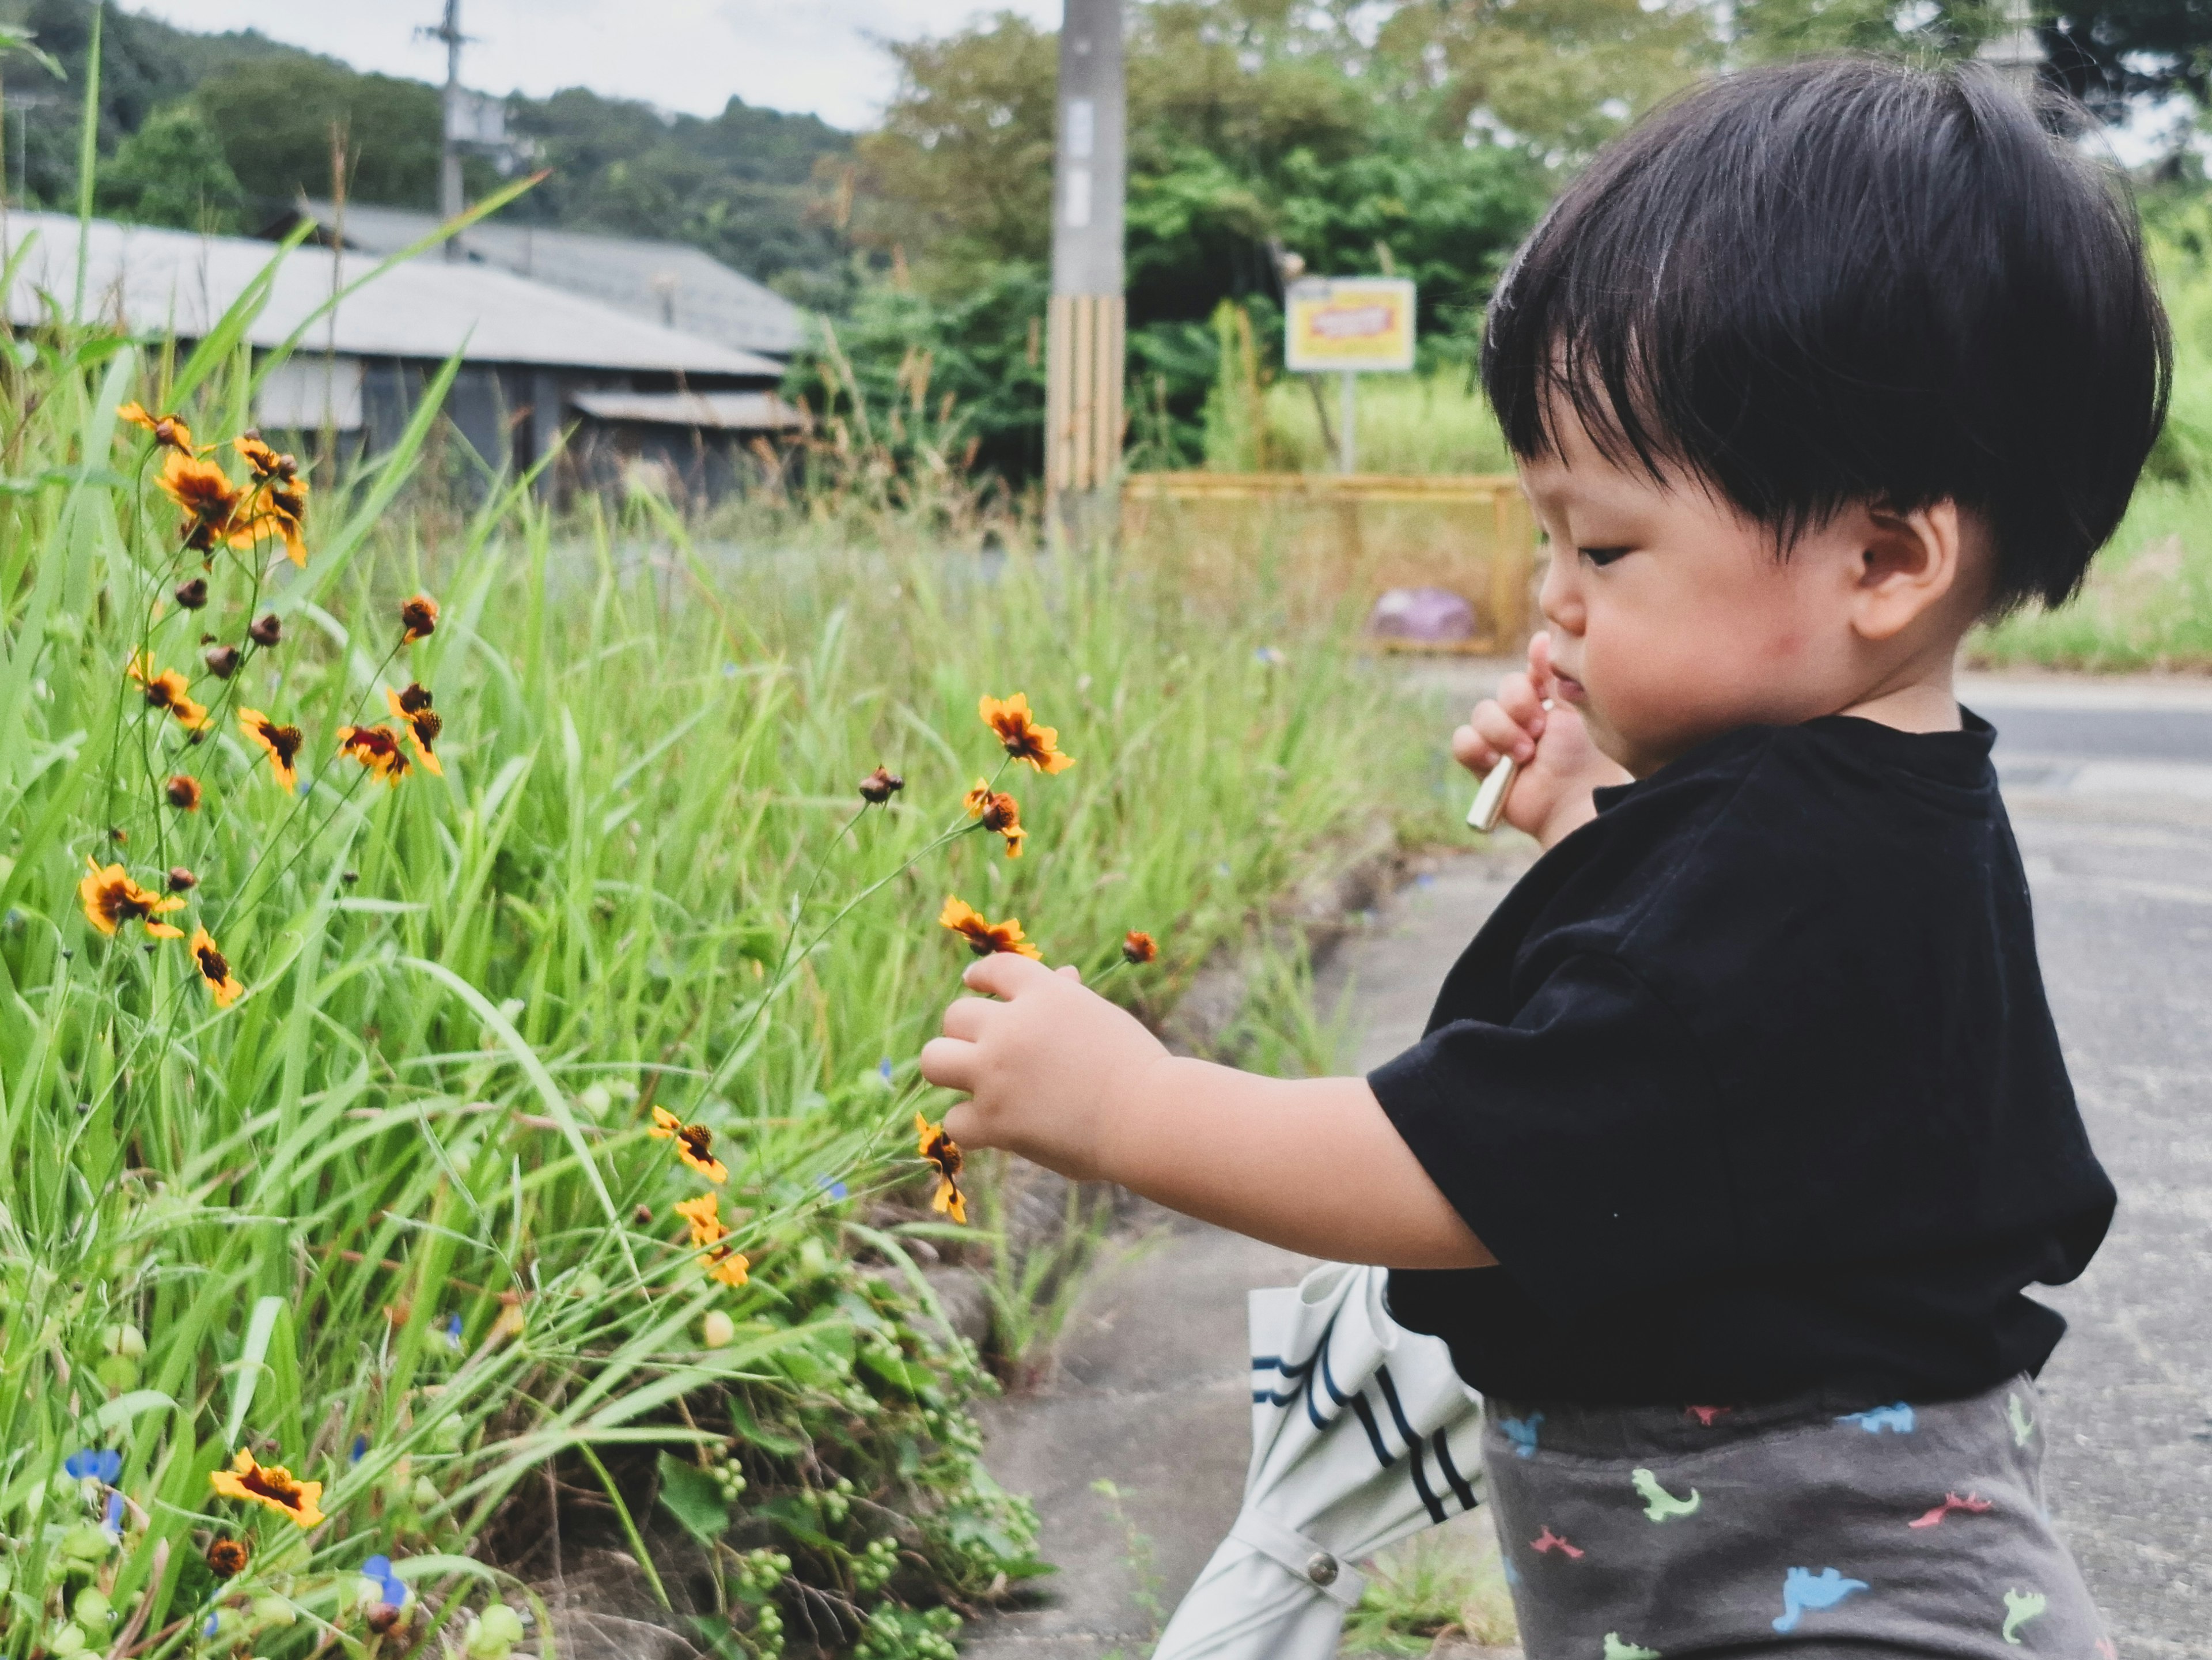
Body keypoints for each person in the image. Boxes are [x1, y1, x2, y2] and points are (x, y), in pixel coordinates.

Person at [919, 56, 2157, 1658]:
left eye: (1608, 547)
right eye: (1547, 536)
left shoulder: (1795, 867)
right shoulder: (1845, 816)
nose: (1551, 599)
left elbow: (1466, 1172)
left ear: (1885, 557)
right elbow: (1694, 1101)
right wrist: (1589, 806)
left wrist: (1127, 1104)